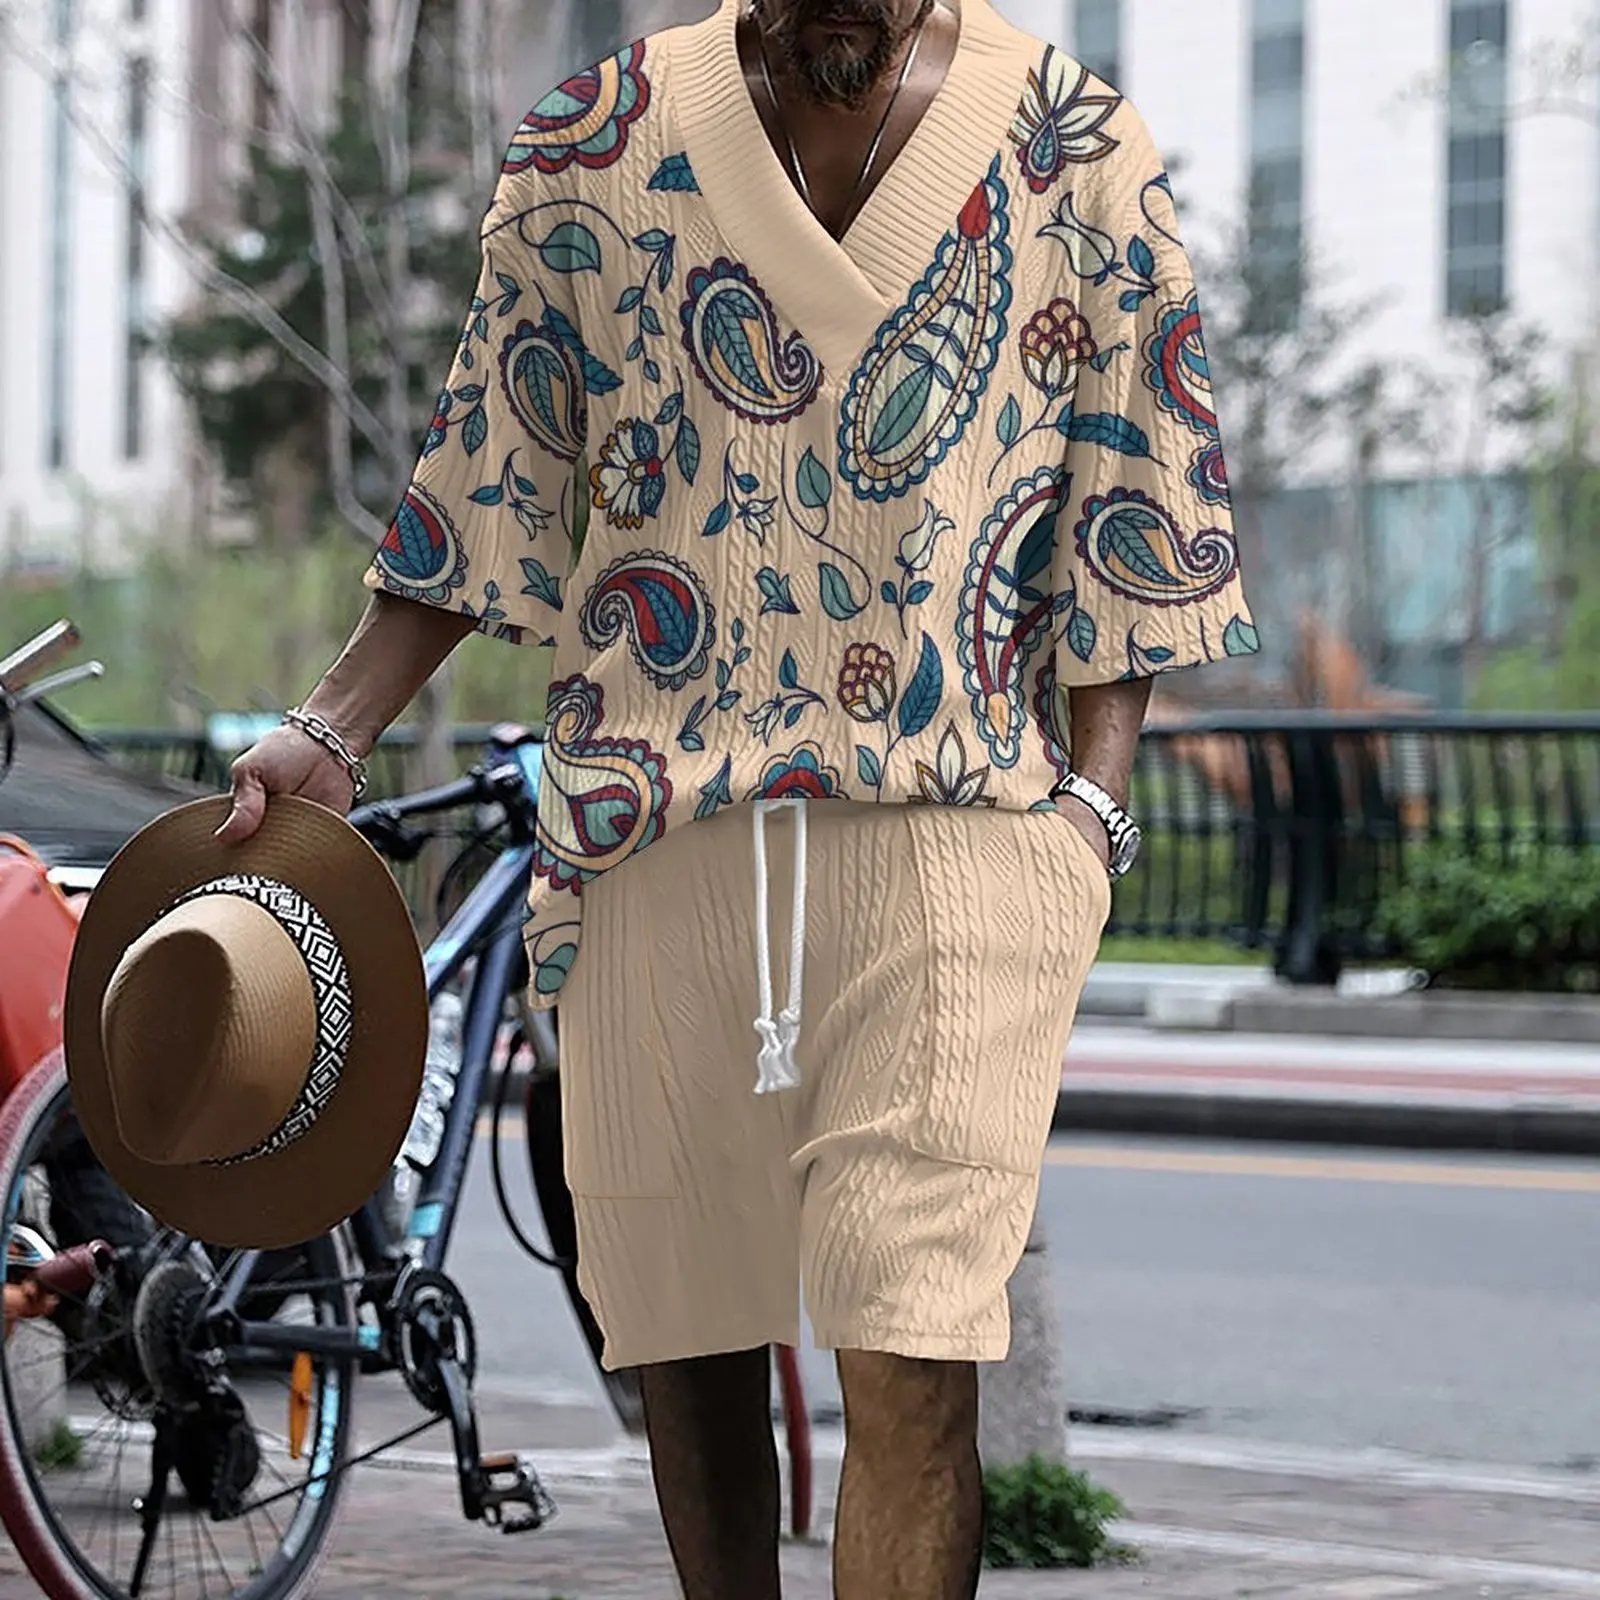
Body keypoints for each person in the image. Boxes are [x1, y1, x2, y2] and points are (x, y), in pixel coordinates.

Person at [219, 1, 1257, 1594]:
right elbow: (492, 468)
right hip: (650, 852)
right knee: (689, 1361)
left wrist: (1090, 823)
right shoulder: (592, 142)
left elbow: (1140, 494)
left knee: (915, 1355)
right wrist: (333, 728)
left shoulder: (1079, 148)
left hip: (956, 850)